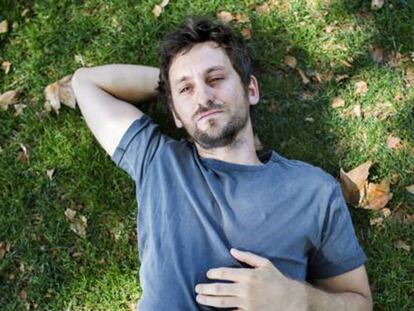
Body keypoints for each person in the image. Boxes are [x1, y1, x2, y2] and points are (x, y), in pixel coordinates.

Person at [72, 17, 372, 310]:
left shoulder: (313, 190)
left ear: (250, 89)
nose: (203, 97)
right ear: (175, 114)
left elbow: (360, 303)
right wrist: (171, 88)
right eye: (186, 90)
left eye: (215, 79)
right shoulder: (157, 160)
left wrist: (298, 299)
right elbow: (85, 82)